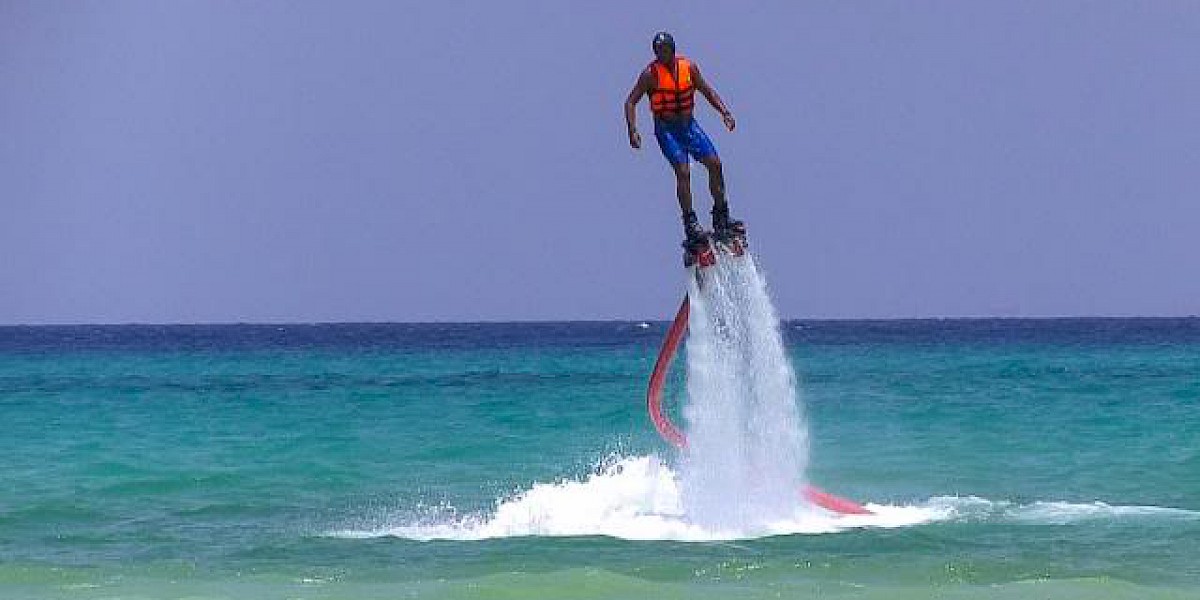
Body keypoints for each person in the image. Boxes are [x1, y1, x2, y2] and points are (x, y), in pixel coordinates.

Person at [624, 31, 742, 249]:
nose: (661, 54)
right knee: (683, 171)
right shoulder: (649, 75)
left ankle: (721, 215)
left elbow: (707, 91)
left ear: (672, 49)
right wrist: (633, 130)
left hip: (689, 126)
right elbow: (630, 102)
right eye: (657, 50)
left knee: (715, 164)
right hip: (667, 130)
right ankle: (690, 222)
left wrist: (725, 113)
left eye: (664, 49)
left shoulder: (689, 68)